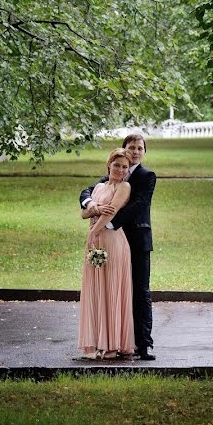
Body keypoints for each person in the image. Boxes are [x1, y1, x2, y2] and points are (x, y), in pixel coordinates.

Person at [80, 134, 156, 360]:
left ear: (144, 152)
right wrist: (91, 204)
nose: (135, 152)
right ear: (123, 149)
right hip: (109, 239)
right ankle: (112, 339)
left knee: (139, 291)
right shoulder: (115, 172)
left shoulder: (146, 176)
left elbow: (138, 205)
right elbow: (87, 191)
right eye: (131, 147)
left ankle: (143, 344)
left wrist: (106, 225)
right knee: (111, 289)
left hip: (135, 239)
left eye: (139, 148)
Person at [78, 148, 136, 359]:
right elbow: (84, 213)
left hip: (111, 241)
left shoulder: (124, 187)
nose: (120, 170)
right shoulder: (100, 186)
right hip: (94, 241)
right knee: (96, 289)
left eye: (125, 167)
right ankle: (96, 342)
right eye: (117, 165)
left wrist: (93, 232)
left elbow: (112, 210)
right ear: (109, 164)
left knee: (111, 289)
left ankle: (112, 345)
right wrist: (95, 208)